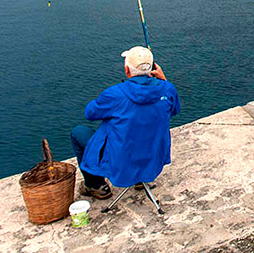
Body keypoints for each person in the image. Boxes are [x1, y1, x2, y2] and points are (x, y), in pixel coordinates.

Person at [70, 46, 180, 199]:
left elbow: (90, 113)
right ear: (152, 68)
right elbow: (174, 110)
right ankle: (141, 179)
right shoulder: (167, 89)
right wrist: (164, 81)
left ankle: (95, 185)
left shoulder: (115, 94)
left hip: (122, 161)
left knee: (78, 132)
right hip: (153, 157)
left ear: (127, 70)